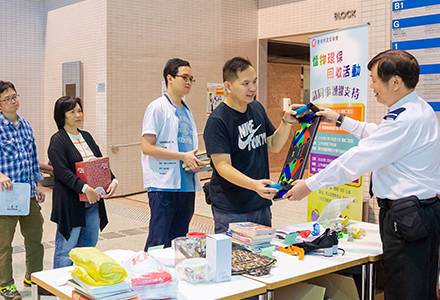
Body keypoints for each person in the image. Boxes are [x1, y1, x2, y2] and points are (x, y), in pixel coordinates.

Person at [284, 49, 440, 300]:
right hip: (419, 213)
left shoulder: (404, 120)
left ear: (396, 82)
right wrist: (339, 119)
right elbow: (378, 135)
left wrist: (310, 185)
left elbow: (355, 160)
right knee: (418, 287)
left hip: (408, 215)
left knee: (405, 291)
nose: (372, 86)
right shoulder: (416, 108)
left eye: (375, 79)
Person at [203, 57, 297, 233]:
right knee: (234, 258)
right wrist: (253, 184)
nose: (252, 88)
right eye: (245, 83)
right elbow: (223, 166)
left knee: (263, 256)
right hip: (232, 208)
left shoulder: (256, 108)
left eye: (254, 81)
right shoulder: (218, 120)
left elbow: (274, 145)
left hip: (260, 203)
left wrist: (286, 122)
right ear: (228, 86)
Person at [48, 96, 118, 268]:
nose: (78, 114)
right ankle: (61, 291)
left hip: (93, 201)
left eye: (79, 110)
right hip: (71, 202)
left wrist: (113, 180)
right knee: (66, 250)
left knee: (88, 247)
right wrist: (85, 188)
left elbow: (100, 162)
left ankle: (81, 283)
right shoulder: (57, 140)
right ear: (61, 115)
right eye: (72, 112)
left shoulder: (86, 135)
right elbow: (63, 172)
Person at [141, 58, 203, 250]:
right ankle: (148, 276)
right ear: (169, 78)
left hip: (186, 185)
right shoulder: (157, 107)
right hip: (164, 186)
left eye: (192, 79)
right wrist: (182, 156)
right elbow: (147, 147)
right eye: (184, 77)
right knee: (158, 241)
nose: (189, 82)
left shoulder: (186, 110)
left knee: (179, 241)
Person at [0, 81, 45, 300]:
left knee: (35, 238)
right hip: (5, 196)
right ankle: (5, 284)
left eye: (15, 96)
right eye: (7, 99)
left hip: (27, 193)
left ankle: (33, 277)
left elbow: (33, 158)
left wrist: (38, 185)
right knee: (4, 244)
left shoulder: (26, 125)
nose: (13, 101)